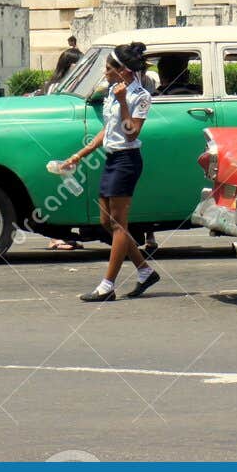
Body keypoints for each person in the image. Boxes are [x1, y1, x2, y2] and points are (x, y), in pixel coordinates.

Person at [63, 42, 162, 302]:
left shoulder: (139, 96)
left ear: (124, 71)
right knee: (106, 223)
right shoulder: (111, 92)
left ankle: (107, 285)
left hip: (127, 160)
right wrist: (78, 156)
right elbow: (108, 130)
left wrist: (122, 102)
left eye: (109, 68)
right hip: (111, 159)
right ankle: (145, 270)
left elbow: (131, 133)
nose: (105, 72)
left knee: (118, 225)